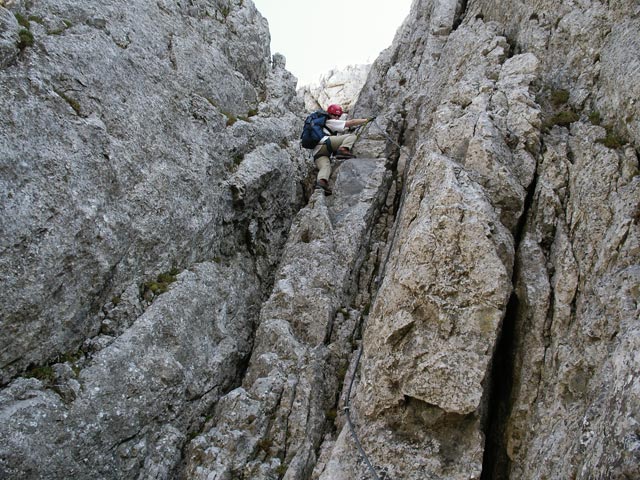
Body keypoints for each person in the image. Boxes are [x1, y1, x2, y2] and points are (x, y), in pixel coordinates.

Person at [313, 104, 371, 195]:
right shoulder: (330, 121)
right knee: (351, 136)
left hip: (317, 152)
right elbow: (351, 122)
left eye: (338, 116)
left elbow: (345, 128)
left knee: (325, 167)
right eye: (334, 115)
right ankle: (343, 150)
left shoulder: (326, 124)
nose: (336, 117)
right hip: (325, 143)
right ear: (329, 114)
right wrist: (366, 120)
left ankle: (321, 183)